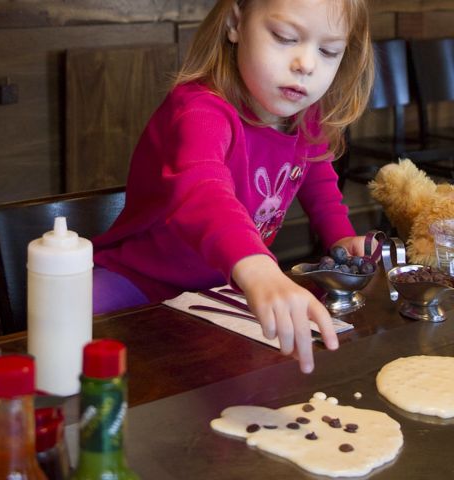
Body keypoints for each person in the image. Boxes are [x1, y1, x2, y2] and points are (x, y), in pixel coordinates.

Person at [93, 0, 374, 373]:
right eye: (285, 37)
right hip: (139, 282)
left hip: (222, 291)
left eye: (328, 51)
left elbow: (317, 179)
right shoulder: (199, 109)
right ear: (235, 23)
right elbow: (202, 188)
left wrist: (342, 239)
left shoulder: (308, 118)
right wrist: (257, 267)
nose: (306, 64)